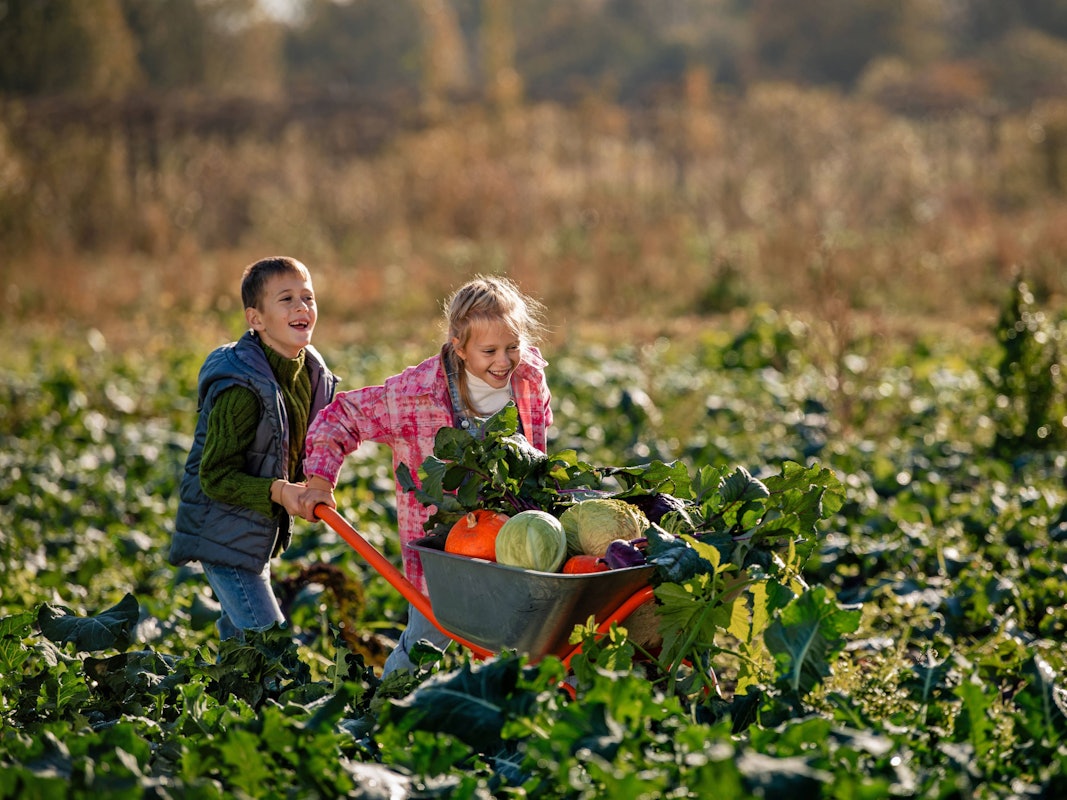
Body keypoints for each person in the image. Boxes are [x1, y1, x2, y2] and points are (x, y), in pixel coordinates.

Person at [302, 274, 553, 675]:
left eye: (512, 347)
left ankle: (519, 706)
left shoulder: (528, 379)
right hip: (445, 554)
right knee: (426, 640)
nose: (504, 361)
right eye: (489, 350)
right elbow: (341, 417)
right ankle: (383, 714)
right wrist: (318, 479)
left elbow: (538, 439)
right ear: (460, 347)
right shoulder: (414, 396)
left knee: (529, 642)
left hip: (514, 544)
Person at [170, 256, 339, 643]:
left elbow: (313, 440)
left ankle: (227, 693)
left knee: (239, 640)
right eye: (287, 300)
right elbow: (214, 476)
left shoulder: (309, 373)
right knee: (268, 640)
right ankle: (268, 696)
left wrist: (316, 482)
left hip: (255, 535)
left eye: (308, 298)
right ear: (256, 319)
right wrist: (281, 492)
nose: (302, 308)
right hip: (224, 536)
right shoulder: (243, 390)